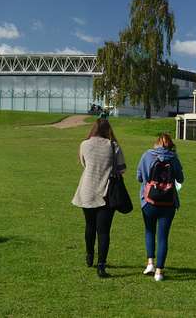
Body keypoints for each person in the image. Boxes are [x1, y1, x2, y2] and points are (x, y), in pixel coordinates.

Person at [71, 118, 125, 278]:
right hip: (106, 192)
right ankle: (101, 265)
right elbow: (122, 169)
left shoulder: (84, 144)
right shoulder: (113, 146)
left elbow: (84, 164)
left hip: (87, 189)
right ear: (108, 130)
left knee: (89, 225)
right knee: (104, 231)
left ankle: (89, 255)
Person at [136, 133, 184, 281]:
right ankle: (159, 271)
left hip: (149, 201)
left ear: (156, 143)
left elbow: (139, 177)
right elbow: (181, 179)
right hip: (168, 203)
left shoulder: (147, 155)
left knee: (149, 231)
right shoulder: (173, 158)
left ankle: (150, 262)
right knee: (163, 236)